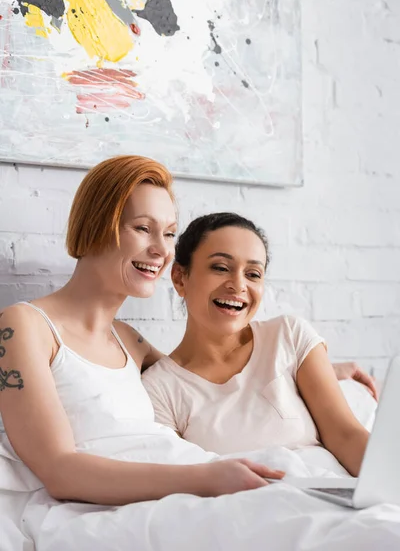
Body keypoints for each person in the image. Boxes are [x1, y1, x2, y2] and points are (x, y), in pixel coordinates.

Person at [0, 156, 287, 506]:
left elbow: (208, 379)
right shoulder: (24, 327)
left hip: (176, 490)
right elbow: (60, 471)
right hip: (117, 508)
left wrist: (300, 366)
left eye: (168, 234)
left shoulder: (129, 341)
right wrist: (206, 479)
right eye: (142, 229)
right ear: (96, 225)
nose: (162, 250)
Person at [142, 212, 376, 476]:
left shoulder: (289, 336)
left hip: (336, 499)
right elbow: (179, 482)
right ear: (179, 278)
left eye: (253, 274)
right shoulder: (160, 389)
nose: (238, 285)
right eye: (220, 268)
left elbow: (346, 436)